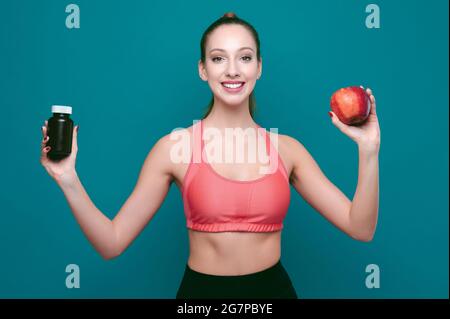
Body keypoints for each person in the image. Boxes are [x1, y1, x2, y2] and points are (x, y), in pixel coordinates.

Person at [39, 12, 381, 299]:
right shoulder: (173, 148)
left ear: (259, 67)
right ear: (203, 69)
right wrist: (68, 179)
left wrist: (368, 151)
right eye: (219, 58)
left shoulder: (287, 150)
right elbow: (111, 243)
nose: (232, 70)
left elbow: (360, 228)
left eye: (244, 57)